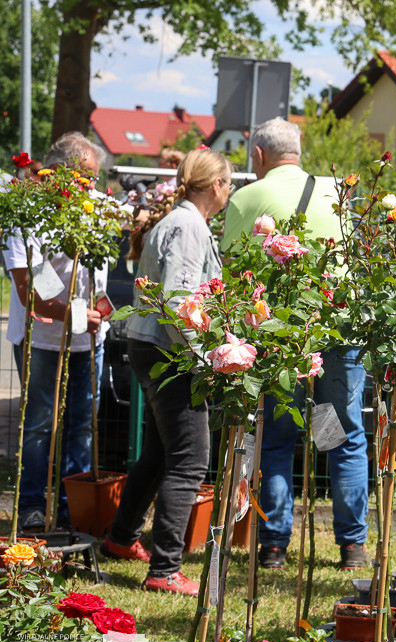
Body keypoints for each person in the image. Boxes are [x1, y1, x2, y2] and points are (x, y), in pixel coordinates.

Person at [222, 117, 370, 571]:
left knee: (278, 439)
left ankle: (274, 546)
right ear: (299, 152)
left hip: (281, 340)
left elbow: (231, 274)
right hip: (338, 335)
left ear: (259, 156)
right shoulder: (338, 193)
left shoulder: (246, 198)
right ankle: (352, 547)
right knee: (338, 437)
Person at [102, 148, 231, 596]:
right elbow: (178, 302)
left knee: (159, 452)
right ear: (216, 186)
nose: (229, 191)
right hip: (170, 351)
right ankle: (165, 568)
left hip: (151, 344)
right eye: (228, 183)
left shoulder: (179, 221)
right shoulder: (189, 227)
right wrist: (205, 358)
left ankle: (121, 538)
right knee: (190, 459)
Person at [2, 132, 110, 533]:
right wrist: (76, 316)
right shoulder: (27, 213)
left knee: (82, 425)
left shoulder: (97, 207)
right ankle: (32, 506)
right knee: (38, 425)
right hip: (43, 341)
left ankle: (73, 506)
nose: (92, 188)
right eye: (86, 178)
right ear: (59, 175)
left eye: (95, 179)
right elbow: (31, 289)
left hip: (90, 340)